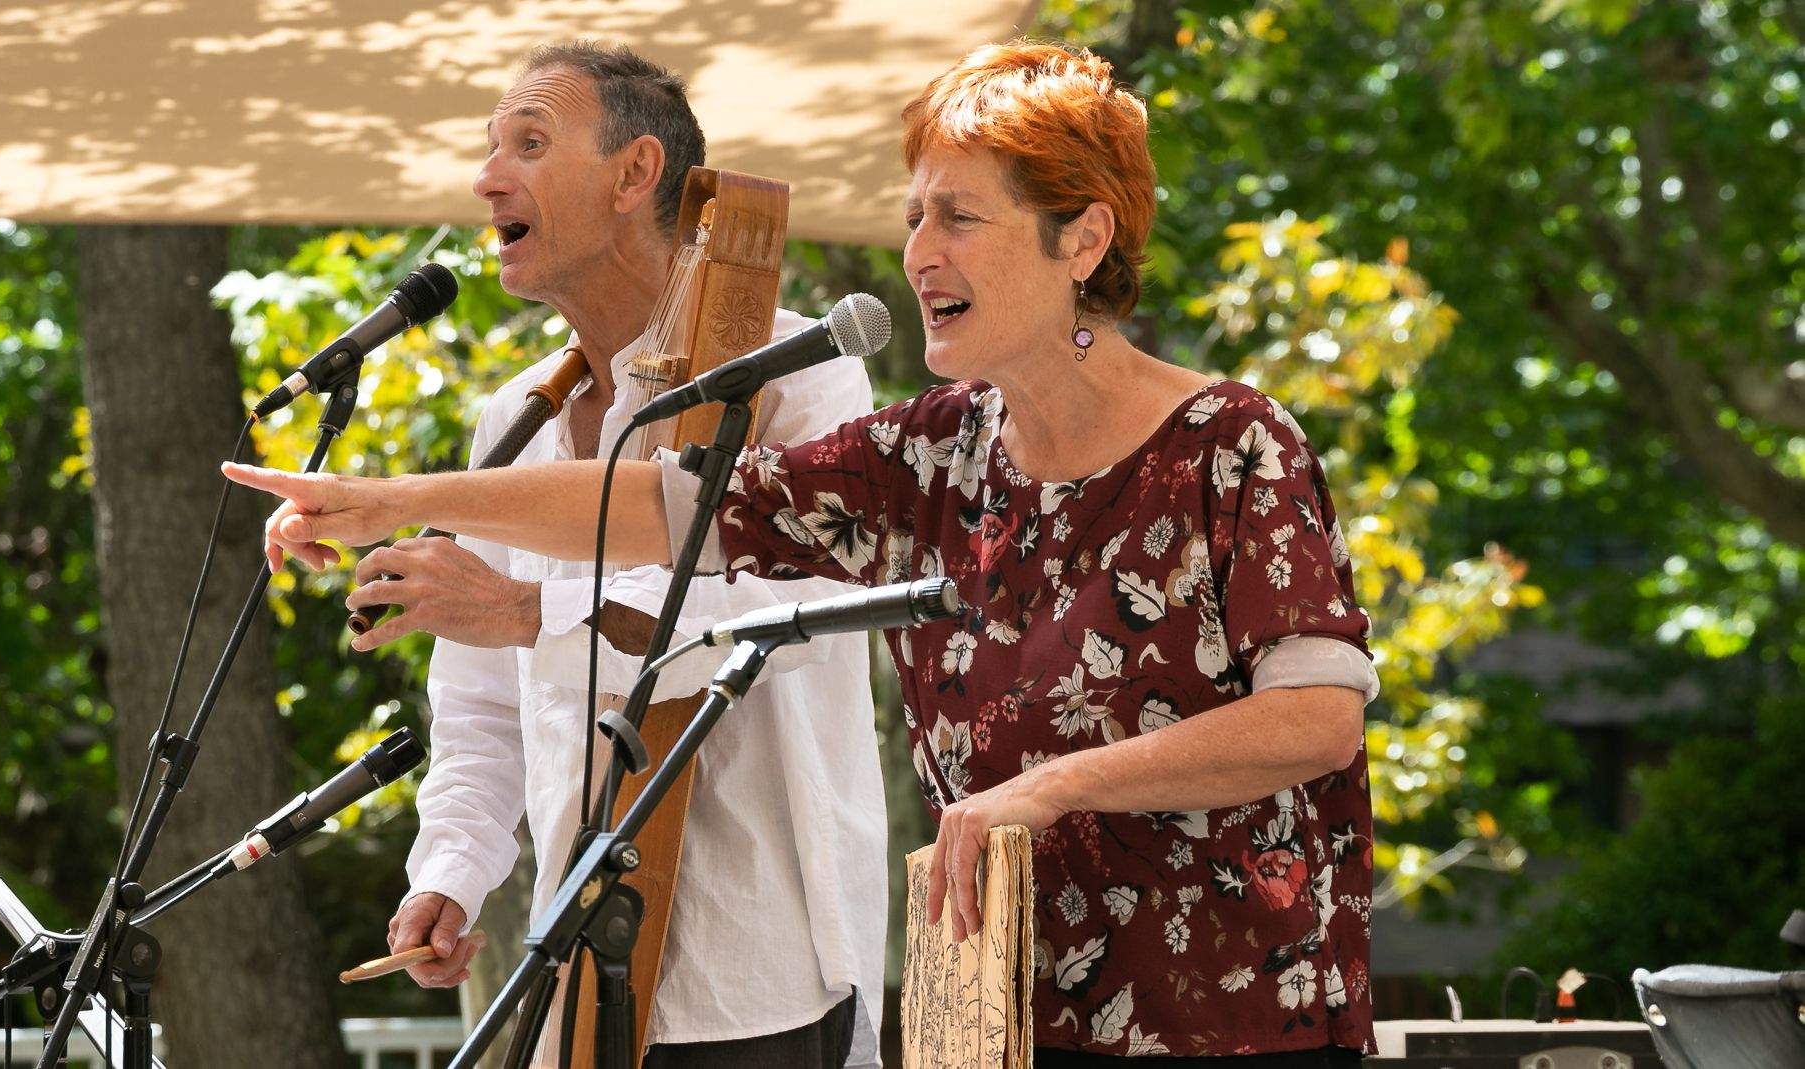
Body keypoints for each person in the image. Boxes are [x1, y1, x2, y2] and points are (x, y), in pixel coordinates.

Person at [230, 40, 1378, 1067]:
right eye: (915, 214)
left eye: (958, 219)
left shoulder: (1231, 441)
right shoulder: (935, 452)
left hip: (1223, 1015)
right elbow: (671, 510)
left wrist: (1050, 786)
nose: (918, 251)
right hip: (991, 1016)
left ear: (1081, 237)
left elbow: (1315, 720)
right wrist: (392, 498)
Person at [347, 42, 887, 1069]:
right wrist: (451, 872)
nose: (486, 177)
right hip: (580, 973)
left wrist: (523, 612)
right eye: (489, 147)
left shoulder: (796, 373)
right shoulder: (511, 418)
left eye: (530, 143)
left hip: (757, 976)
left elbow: (770, 621)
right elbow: (477, 707)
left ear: (636, 175)